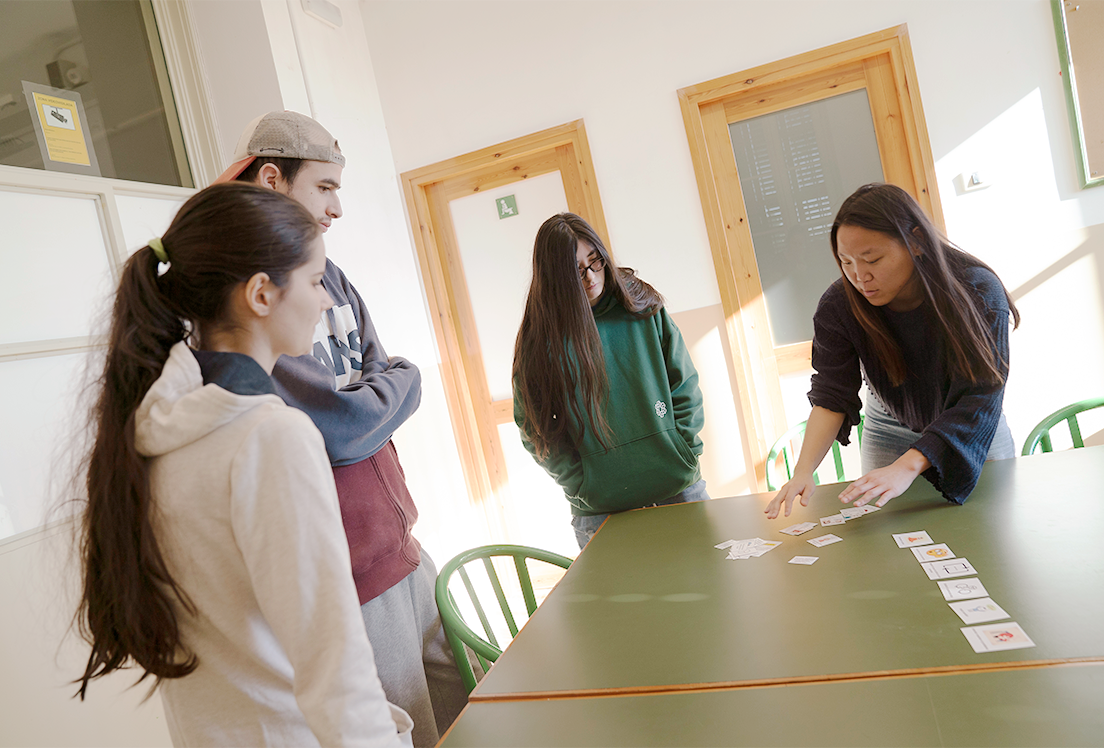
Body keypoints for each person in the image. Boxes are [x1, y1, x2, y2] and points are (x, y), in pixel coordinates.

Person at [74, 183, 411, 747]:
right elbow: (335, 669)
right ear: (260, 294)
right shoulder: (271, 436)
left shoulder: (148, 433)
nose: (324, 302)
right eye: (314, 282)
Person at [217, 110, 467, 748]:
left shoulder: (329, 276)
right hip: (350, 576)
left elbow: (388, 378)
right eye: (324, 187)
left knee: (471, 708)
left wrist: (383, 389)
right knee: (413, 732)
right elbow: (343, 427)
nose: (337, 207)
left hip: (401, 545)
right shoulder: (255, 295)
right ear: (272, 179)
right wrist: (386, 390)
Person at [766, 183, 1020, 520]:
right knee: (890, 532)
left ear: (916, 241)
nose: (859, 276)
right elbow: (831, 396)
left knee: (988, 525)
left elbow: (981, 398)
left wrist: (907, 466)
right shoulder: (838, 305)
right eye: (846, 262)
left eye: (872, 259)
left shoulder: (977, 291)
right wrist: (802, 471)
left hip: (970, 422)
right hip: (889, 423)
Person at [513, 212, 708, 550]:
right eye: (576, 270)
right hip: (601, 510)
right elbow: (534, 427)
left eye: (595, 261)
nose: (590, 276)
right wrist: (581, 483)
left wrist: (684, 447)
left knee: (708, 580)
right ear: (554, 277)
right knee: (623, 590)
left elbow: (684, 383)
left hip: (677, 486)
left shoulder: (641, 305)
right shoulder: (539, 343)